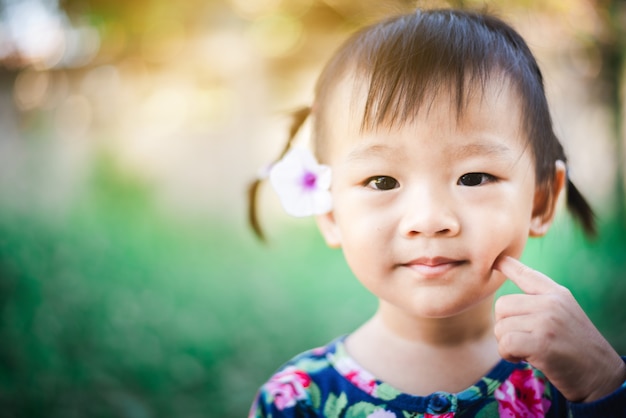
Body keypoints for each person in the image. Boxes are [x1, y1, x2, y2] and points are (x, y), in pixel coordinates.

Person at [246, 7, 626, 417]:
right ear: (331, 212)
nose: (429, 220)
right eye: (382, 182)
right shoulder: (297, 400)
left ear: (540, 201)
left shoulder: (573, 378)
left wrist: (604, 388)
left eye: (474, 177)